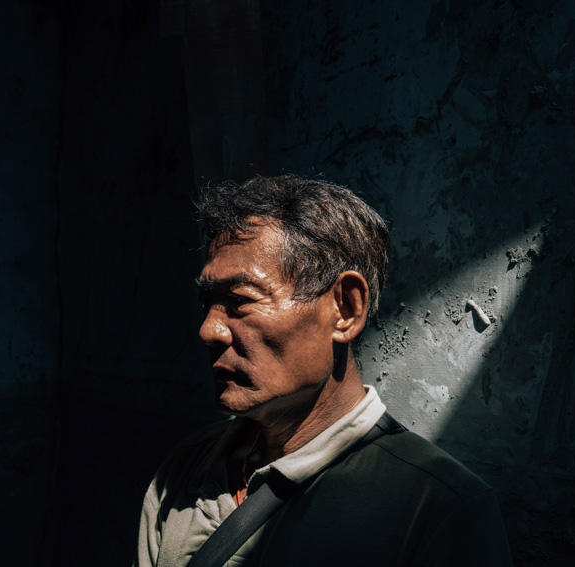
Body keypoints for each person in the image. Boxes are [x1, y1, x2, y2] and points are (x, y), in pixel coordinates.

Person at [137, 175, 512, 567]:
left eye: (240, 300)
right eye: (208, 302)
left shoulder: (436, 508)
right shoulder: (185, 469)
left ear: (345, 309)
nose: (208, 330)